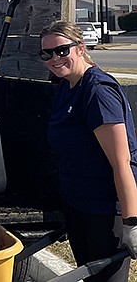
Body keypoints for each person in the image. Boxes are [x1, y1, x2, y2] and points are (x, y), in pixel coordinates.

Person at [40, 20, 137, 281]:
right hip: (78, 205)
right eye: (46, 53)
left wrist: (131, 224)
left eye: (62, 50)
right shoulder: (66, 86)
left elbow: (122, 163)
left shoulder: (98, 92)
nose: (54, 58)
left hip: (106, 213)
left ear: (81, 48)